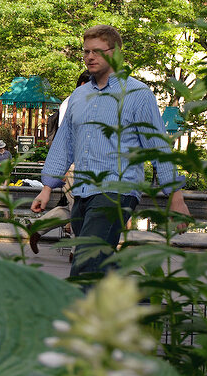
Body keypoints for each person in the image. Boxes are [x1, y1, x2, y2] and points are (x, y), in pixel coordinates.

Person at [30, 24, 190, 280]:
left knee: (87, 259)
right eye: (85, 52)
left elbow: (157, 145)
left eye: (97, 51)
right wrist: (47, 186)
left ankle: (73, 315)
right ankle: (141, 297)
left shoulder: (138, 94)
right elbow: (64, 143)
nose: (89, 57)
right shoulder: (79, 95)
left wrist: (176, 196)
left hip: (118, 191)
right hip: (81, 191)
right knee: (100, 261)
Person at [29, 71, 93, 254]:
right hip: (73, 165)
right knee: (78, 208)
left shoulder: (92, 102)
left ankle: (39, 228)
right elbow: (64, 137)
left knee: (73, 207)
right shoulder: (72, 102)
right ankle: (76, 252)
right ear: (81, 84)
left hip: (86, 166)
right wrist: (62, 169)